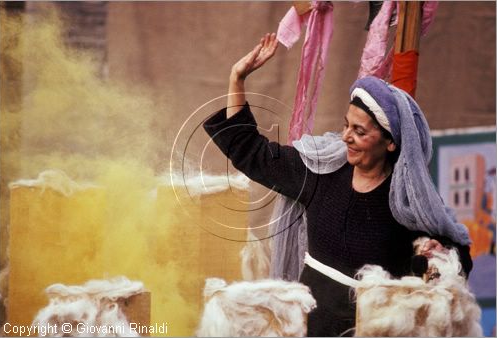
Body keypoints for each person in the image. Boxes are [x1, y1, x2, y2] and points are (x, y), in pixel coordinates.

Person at [203, 33, 473, 336]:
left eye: (359, 131)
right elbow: (251, 153)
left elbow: (457, 251)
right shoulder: (320, 174)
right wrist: (237, 78)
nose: (346, 136)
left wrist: (440, 254)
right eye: (346, 125)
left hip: (376, 329)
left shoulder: (407, 200)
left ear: (390, 144)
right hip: (311, 325)